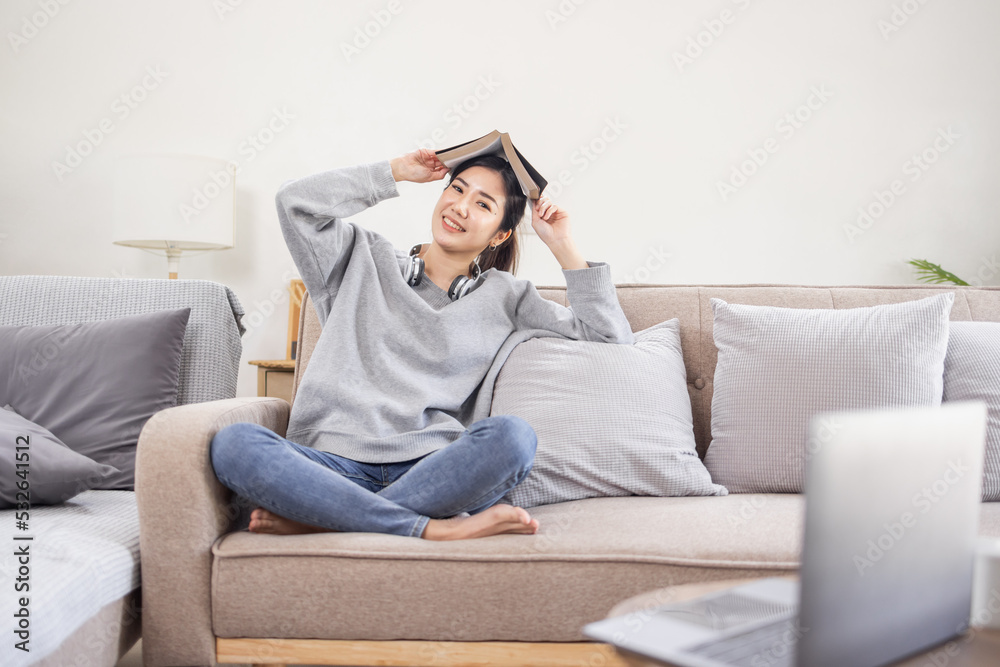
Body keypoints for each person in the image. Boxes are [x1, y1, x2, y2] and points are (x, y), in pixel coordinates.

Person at [209, 147, 635, 541]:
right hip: (331, 466)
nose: (461, 207)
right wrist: (394, 172)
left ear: (500, 236)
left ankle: (322, 519)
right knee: (234, 444)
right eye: (457, 189)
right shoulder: (360, 258)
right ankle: (428, 529)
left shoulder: (508, 297)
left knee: (513, 437)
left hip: (433, 473)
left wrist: (563, 245)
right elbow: (294, 203)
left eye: (484, 204)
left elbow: (609, 338)